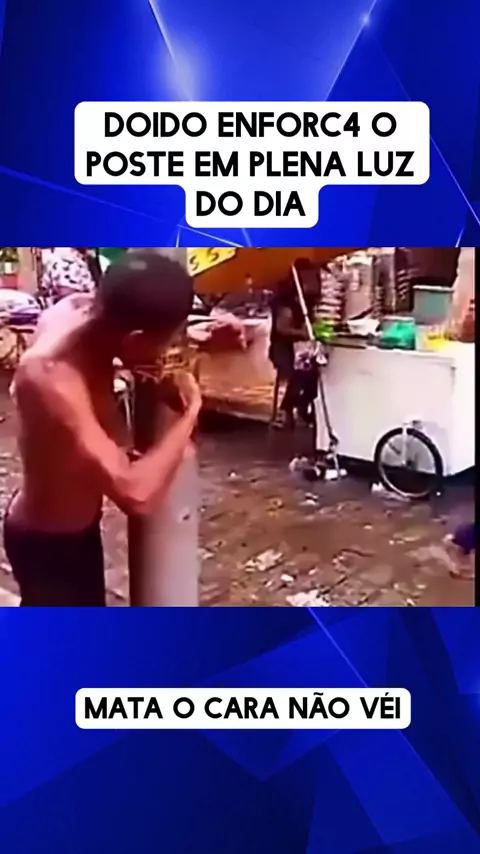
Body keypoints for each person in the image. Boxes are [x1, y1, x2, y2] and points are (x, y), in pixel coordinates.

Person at [3, 250, 242, 606]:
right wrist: (192, 409)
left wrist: (197, 332)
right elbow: (136, 495)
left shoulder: (84, 312)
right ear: (134, 338)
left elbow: (128, 331)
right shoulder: (49, 378)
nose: (165, 350)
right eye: (163, 342)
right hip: (49, 545)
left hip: (79, 530)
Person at [268, 259, 320, 427]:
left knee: (315, 372)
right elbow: (282, 328)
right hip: (283, 348)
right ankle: (286, 408)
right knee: (300, 372)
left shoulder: (308, 300)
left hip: (303, 348)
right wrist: (303, 333)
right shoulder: (285, 301)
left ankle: (304, 405)